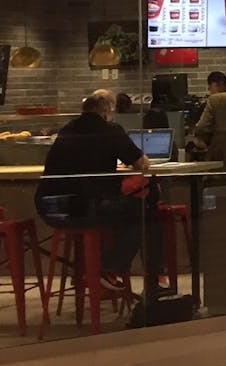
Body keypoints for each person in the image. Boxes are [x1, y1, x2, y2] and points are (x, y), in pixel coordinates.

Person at [35, 91, 151, 291]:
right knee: (142, 213)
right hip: (87, 207)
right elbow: (142, 164)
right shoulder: (111, 130)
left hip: (51, 208)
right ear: (106, 111)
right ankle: (106, 268)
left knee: (118, 210)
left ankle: (86, 270)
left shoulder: (66, 130)